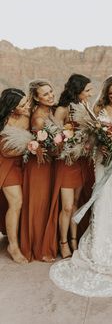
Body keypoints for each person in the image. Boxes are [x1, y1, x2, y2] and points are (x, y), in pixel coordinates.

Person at [49, 75, 112, 297]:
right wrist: (100, 145)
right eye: (111, 91)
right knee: (102, 198)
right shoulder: (97, 107)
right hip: (101, 160)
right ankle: (98, 246)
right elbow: (90, 137)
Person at [42, 74, 94, 260]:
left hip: (81, 162)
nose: (90, 93)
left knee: (76, 205)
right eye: (87, 90)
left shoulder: (85, 108)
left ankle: (74, 240)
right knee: (66, 206)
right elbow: (54, 140)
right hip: (66, 163)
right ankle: (63, 242)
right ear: (78, 90)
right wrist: (68, 143)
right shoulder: (62, 110)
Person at [20, 79, 56, 261]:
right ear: (36, 97)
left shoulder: (50, 112)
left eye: (50, 92)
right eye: (45, 94)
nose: (50, 96)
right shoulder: (38, 118)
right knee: (38, 205)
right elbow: (45, 147)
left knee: (46, 202)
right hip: (39, 166)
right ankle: (37, 248)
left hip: (48, 165)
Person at [0, 88, 29, 263]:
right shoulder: (3, 122)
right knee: (16, 202)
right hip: (5, 164)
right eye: (23, 105)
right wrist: (29, 146)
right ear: (12, 108)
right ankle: (13, 246)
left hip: (20, 164)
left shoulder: (25, 116)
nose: (27, 106)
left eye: (26, 102)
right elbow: (6, 151)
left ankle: (10, 234)